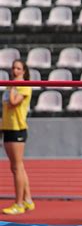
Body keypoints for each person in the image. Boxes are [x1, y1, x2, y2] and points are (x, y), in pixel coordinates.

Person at [1, 60, 35, 214]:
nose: (15, 71)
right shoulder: (10, 86)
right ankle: (27, 200)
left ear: (24, 71)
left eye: (18, 68)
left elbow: (14, 102)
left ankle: (19, 204)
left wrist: (14, 85)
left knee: (16, 167)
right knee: (17, 166)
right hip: (8, 127)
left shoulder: (24, 86)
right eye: (13, 68)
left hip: (17, 128)